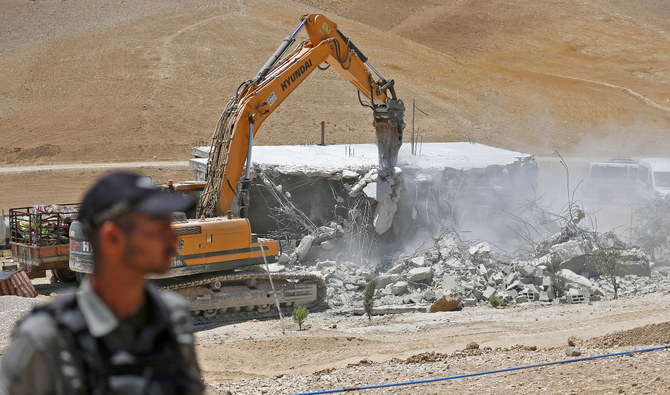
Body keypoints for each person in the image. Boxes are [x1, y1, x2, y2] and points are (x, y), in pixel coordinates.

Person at [0, 172, 204, 395]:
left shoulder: (173, 317)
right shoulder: (44, 340)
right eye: (158, 229)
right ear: (112, 238)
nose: (172, 239)